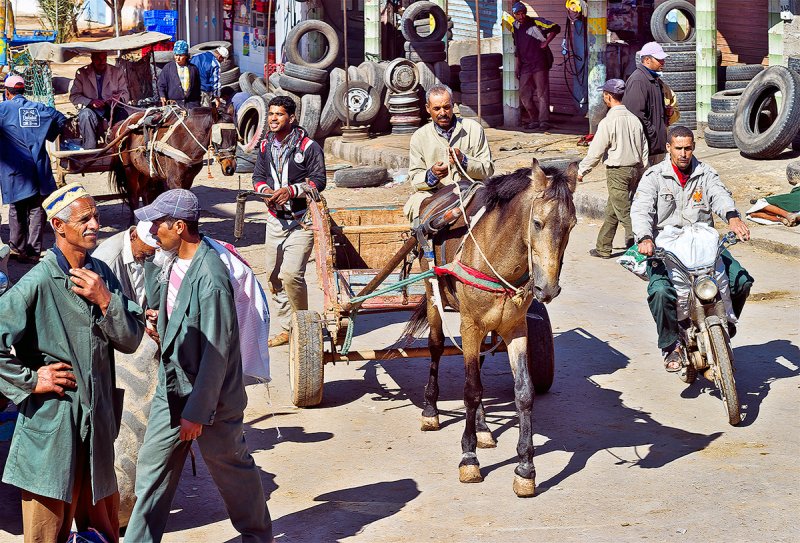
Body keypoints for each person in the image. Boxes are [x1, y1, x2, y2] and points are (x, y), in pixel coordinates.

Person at [0, 182, 145, 543]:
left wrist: (106, 301)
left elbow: (130, 339)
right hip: (53, 428)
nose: (95, 224)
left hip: (96, 427)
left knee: (105, 531)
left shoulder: (100, 274)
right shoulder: (36, 282)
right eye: (85, 218)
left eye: (96, 215)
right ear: (59, 226)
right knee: (46, 534)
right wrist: (32, 381)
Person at [125, 189, 273, 542]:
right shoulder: (172, 259)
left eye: (158, 223)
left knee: (230, 469)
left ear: (179, 226)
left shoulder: (212, 278)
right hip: (173, 385)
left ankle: (257, 535)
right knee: (152, 466)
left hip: (211, 398)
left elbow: (217, 353)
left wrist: (196, 412)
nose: (152, 230)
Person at [631, 126, 754, 372]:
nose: (684, 154)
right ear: (668, 148)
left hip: (703, 245)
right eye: (679, 148)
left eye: (688, 148)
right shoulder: (654, 176)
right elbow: (641, 209)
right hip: (666, 248)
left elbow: (720, 195)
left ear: (693, 148)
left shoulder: (705, 173)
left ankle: (725, 324)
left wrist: (732, 217)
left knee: (741, 281)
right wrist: (645, 237)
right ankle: (670, 345)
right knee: (660, 292)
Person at [251, 95, 326, 347]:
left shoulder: (308, 147)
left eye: (279, 114)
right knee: (273, 278)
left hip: (302, 222)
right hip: (275, 221)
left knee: (291, 275)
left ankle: (304, 329)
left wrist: (292, 191)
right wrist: (266, 193)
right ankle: (287, 328)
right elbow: (258, 176)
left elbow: (319, 180)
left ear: (291, 118)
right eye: (271, 114)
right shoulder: (265, 146)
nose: (273, 118)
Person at [577, 79, 648, 258]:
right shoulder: (634, 120)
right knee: (613, 209)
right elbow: (644, 148)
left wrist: (582, 170)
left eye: (604, 95)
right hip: (635, 170)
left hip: (617, 172)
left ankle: (643, 247)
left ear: (608, 97)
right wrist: (644, 171)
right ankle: (603, 247)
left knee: (625, 213)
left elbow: (596, 151)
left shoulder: (608, 122)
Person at [0, 75, 66, 264]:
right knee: (37, 209)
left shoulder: (3, 109)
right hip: (39, 168)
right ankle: (33, 252)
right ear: (23, 91)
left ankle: (17, 248)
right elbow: (60, 119)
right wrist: (47, 134)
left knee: (17, 209)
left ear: (7, 92)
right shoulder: (38, 108)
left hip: (15, 170)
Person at [404, 84, 494, 221]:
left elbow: (488, 169)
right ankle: (424, 242)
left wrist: (464, 161)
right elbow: (415, 179)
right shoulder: (419, 137)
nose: (442, 113)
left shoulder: (474, 129)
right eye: (436, 108)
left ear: (453, 106)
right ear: (428, 109)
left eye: (446, 107)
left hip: (470, 192)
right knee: (416, 206)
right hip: (435, 194)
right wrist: (432, 175)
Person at [512, 1, 561, 130]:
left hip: (540, 62)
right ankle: (534, 119)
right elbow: (517, 48)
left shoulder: (536, 22)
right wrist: (517, 67)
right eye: (518, 14)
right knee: (524, 94)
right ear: (514, 15)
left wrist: (546, 43)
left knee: (542, 93)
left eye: (523, 13)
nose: (521, 16)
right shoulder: (515, 27)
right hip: (525, 65)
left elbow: (556, 28)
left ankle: (544, 121)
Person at [69, 51, 130, 149]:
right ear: (92, 59)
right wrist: (90, 102)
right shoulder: (82, 73)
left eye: (104, 59)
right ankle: (90, 151)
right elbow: (74, 96)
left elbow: (125, 93)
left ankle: (121, 148)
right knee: (85, 115)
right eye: (98, 59)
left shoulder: (116, 72)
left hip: (112, 107)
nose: (102, 62)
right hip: (91, 109)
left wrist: (118, 98)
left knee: (123, 114)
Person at [623, 42, 669, 166]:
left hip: (656, 146)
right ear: (647, 60)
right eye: (659, 59)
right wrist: (653, 134)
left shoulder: (653, 80)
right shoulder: (638, 80)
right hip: (647, 147)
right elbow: (636, 114)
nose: (663, 62)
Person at [92, 221, 157, 307]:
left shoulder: (138, 247)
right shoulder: (109, 262)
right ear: (133, 236)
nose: (146, 259)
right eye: (145, 254)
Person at [157, 40, 201, 109]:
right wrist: (162, 96)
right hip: (174, 105)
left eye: (180, 55)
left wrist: (197, 102)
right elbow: (161, 84)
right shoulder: (168, 68)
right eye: (176, 55)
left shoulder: (193, 69)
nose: (177, 58)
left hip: (191, 105)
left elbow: (197, 87)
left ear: (186, 56)